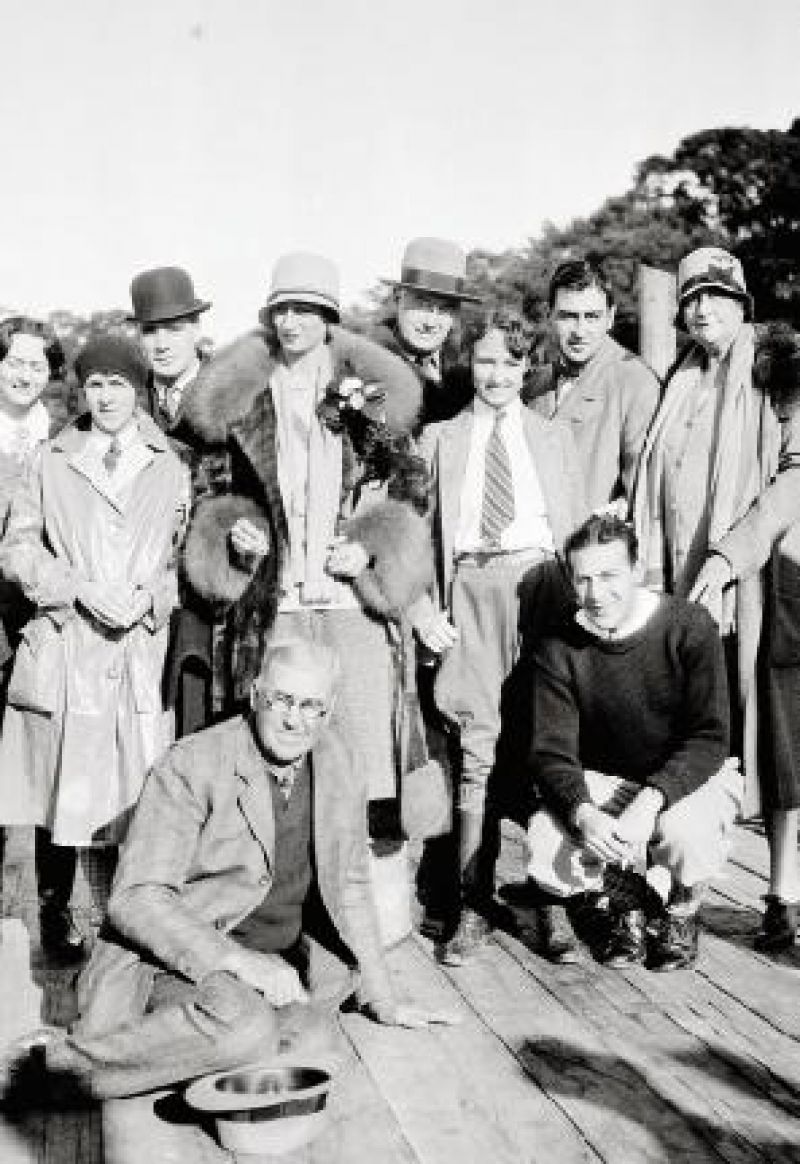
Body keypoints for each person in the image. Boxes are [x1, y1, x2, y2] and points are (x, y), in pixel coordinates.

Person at [25, 636, 455, 1100]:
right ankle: (49, 1071)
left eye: (311, 706)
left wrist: (383, 998)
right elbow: (137, 897)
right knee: (246, 1032)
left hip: (280, 962)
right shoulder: (193, 762)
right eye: (282, 700)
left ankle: (176, 1053)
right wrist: (236, 962)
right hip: (179, 961)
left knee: (313, 1043)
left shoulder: (340, 761)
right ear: (255, 695)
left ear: (329, 711)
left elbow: (351, 884)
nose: (294, 719)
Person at [179, 252, 432, 939]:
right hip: (279, 607)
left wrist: (372, 545)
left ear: (329, 318)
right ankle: (292, 910)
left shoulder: (366, 393)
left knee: (366, 754)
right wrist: (239, 534)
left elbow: (412, 488)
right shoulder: (242, 401)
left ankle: (378, 912)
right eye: (282, 310)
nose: (293, 322)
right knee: (286, 754)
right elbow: (215, 496)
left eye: (308, 309)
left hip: (351, 603)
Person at [0, 333, 188, 958]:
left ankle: (124, 924)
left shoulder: (172, 463)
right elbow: (18, 548)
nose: (106, 397)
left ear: (139, 391)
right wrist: (76, 587)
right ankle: (56, 916)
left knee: (131, 795)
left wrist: (153, 595)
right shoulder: (52, 458)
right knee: (61, 789)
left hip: (138, 649)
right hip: (69, 642)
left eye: (120, 384)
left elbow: (185, 559)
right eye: (97, 384)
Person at [411, 306, 587, 964]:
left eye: (511, 362)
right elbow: (409, 537)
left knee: (550, 741)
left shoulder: (552, 437)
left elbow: (574, 535)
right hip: (471, 590)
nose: (497, 374)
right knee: (478, 748)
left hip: (541, 592)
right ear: (469, 364)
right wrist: (426, 608)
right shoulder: (439, 440)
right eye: (485, 360)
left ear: (527, 367)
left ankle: (553, 902)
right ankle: (470, 902)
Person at [525, 513, 741, 969]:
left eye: (609, 576)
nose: (596, 594)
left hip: (685, 778)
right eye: (582, 579)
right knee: (547, 837)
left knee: (685, 834)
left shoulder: (689, 625)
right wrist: (583, 812)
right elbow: (551, 751)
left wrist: (651, 801)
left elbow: (711, 737)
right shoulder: (558, 646)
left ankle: (682, 907)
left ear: (637, 569)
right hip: (609, 779)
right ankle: (624, 904)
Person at [633, 246, 792, 817]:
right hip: (677, 578)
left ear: (741, 301)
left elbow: (793, 478)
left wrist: (729, 556)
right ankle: (679, 873)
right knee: (685, 717)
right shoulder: (681, 377)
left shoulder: (777, 367)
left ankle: (772, 885)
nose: (703, 309)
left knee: (756, 729)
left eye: (716, 295)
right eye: (691, 298)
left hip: (751, 580)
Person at [689, 323, 800, 951]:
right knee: (789, 761)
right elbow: (788, 489)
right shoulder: (781, 392)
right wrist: (730, 556)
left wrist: (727, 557)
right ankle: (783, 896)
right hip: (790, 599)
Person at [129, 265, 216, 737]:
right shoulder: (128, 401)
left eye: (174, 329)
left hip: (208, 595)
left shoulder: (231, 399)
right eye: (150, 330)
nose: (161, 343)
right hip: (137, 589)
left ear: (196, 331)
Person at [0, 317, 64, 919]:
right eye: (14, 361)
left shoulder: (59, 440)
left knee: (47, 760)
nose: (23, 374)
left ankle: (53, 908)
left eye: (36, 366)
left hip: (37, 619)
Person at [525, 258, 660, 511]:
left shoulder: (635, 381)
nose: (580, 330)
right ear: (550, 315)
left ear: (610, 317)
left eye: (592, 317)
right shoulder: (534, 384)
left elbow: (641, 496)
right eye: (568, 316)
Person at [371, 236, 480, 429]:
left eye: (445, 308)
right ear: (398, 298)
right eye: (422, 304)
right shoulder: (363, 369)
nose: (430, 323)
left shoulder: (474, 376)